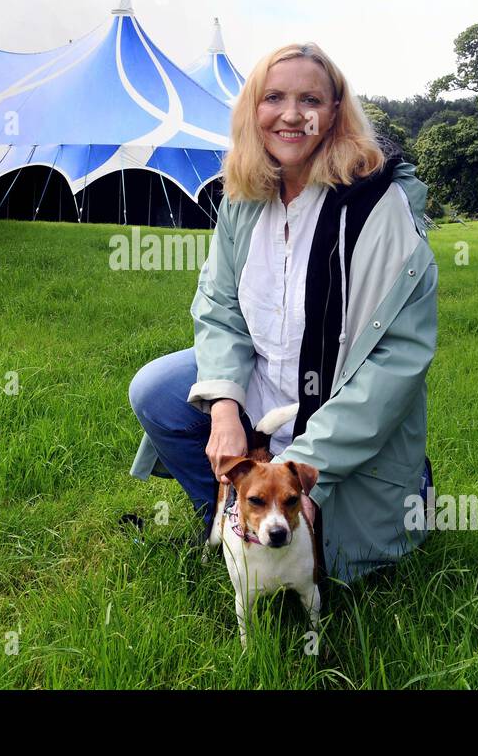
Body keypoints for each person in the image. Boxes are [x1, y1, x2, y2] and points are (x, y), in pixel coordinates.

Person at [127, 41, 438, 585]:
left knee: (334, 574)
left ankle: (388, 495)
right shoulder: (245, 196)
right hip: (264, 393)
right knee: (156, 389)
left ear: (336, 112)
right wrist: (225, 406)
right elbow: (219, 305)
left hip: (341, 422)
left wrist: (308, 465)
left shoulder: (379, 207)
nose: (291, 114)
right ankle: (234, 517)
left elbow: (396, 362)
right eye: (274, 97)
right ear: (254, 110)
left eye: (310, 99)